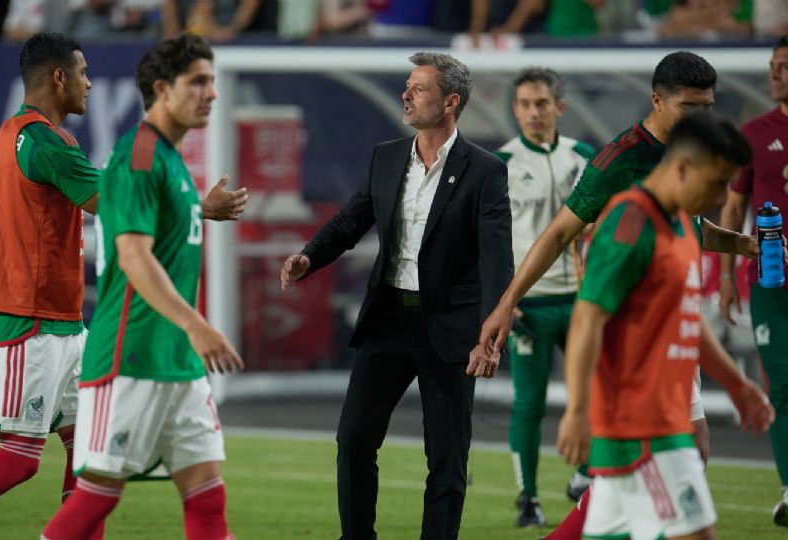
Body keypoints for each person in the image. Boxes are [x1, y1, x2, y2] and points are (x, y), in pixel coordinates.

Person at [0, 32, 245, 540]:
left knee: (87, 455)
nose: (91, 83)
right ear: (59, 78)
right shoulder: (46, 143)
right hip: (29, 322)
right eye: (84, 73)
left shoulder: (13, 136)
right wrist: (202, 206)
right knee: (20, 459)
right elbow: (109, 199)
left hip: (66, 323)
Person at [474, 51, 759, 540]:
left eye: (708, 107)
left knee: (646, 488)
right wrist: (504, 305)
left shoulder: (679, 190)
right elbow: (559, 236)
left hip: (668, 351)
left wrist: (739, 243)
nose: (702, 118)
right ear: (657, 101)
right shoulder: (624, 174)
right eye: (691, 107)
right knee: (679, 511)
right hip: (637, 375)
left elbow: (693, 244)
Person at [280, 52, 513, 540]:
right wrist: (309, 257)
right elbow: (350, 221)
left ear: (451, 102)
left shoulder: (485, 170)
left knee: (447, 457)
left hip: (449, 328)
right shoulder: (386, 157)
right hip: (387, 318)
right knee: (354, 440)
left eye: (419, 88)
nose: (406, 95)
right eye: (407, 86)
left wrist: (493, 328)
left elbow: (496, 257)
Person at [40, 33, 244, 540]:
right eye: (198, 82)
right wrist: (198, 325)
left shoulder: (170, 159)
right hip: (128, 359)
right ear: (161, 88)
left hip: (177, 360)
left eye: (213, 82)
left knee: (208, 496)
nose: (211, 93)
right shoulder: (138, 153)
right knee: (95, 500)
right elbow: (132, 256)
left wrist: (199, 207)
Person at [556, 110, 773, 540]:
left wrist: (736, 384)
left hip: (666, 421)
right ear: (681, 167)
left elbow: (687, 320)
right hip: (644, 432)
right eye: (715, 183)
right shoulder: (629, 223)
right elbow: (586, 320)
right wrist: (577, 411)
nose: (721, 198)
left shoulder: (681, 227)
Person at [494, 66, 594, 528]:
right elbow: (489, 239)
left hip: (580, 301)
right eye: (524, 105)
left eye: (541, 104)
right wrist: (503, 299)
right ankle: (527, 497)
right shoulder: (500, 164)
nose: (533, 113)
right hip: (529, 306)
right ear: (514, 109)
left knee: (590, 393)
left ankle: (584, 476)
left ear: (560, 107)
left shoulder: (586, 158)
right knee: (529, 402)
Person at [718, 35, 788, 527]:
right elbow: (734, 207)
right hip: (770, 279)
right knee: (780, 387)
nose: (776, 73)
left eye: (785, 66)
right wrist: (725, 276)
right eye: (773, 65)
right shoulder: (754, 133)